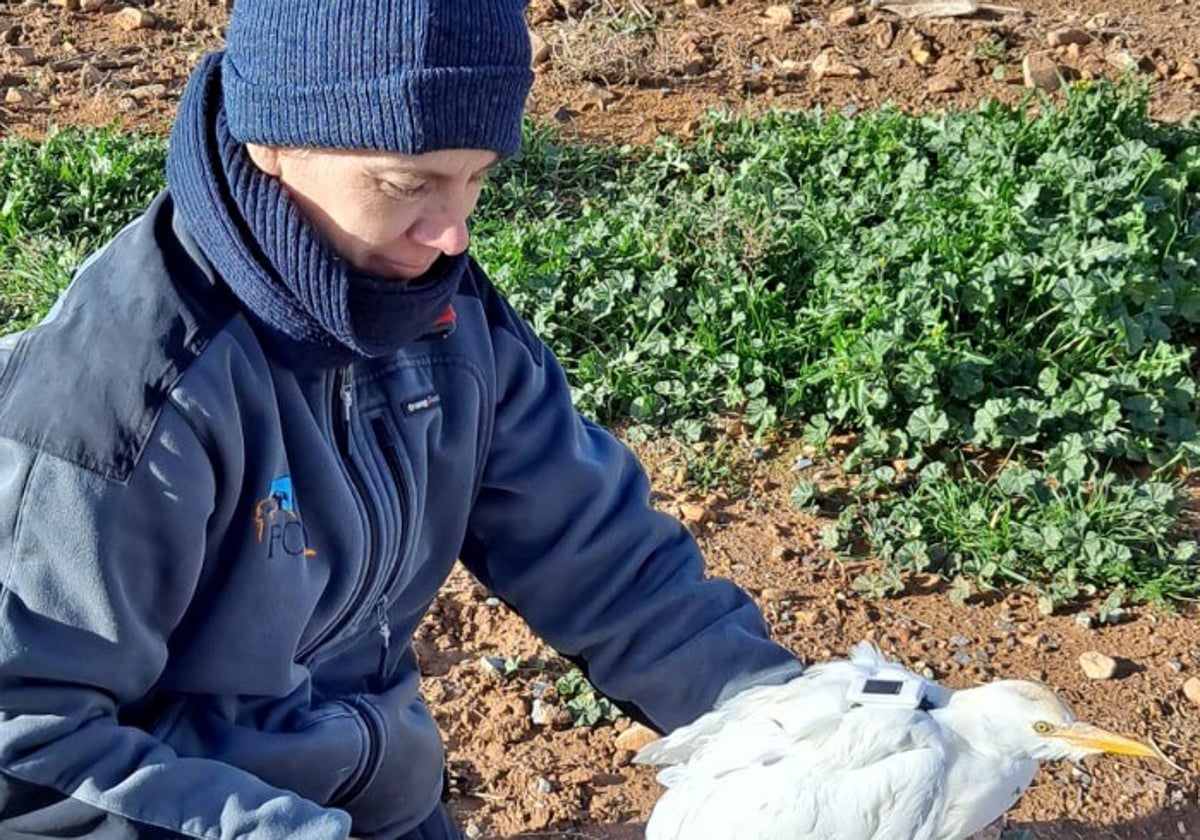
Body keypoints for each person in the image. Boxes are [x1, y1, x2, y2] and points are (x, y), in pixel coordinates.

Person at [0, 1, 803, 837]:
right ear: (270, 141)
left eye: (477, 178)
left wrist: (789, 728)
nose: (452, 234)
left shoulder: (440, 319)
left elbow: (603, 561)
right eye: (406, 183)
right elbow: (26, 754)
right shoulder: (121, 404)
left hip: (382, 805)